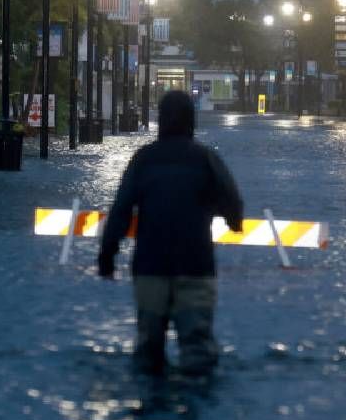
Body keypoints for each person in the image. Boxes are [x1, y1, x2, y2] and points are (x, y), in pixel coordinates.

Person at [99, 90, 244, 376]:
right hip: (195, 266)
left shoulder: (143, 160)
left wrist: (107, 255)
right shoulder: (206, 159)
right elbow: (233, 203)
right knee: (197, 350)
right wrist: (233, 221)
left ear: (160, 120)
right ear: (193, 122)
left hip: (150, 267)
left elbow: (120, 210)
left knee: (148, 353)